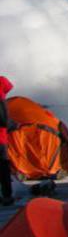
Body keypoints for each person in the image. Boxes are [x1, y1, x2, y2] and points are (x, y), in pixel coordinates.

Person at [0, 76, 15, 206]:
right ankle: (7, 196)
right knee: (3, 167)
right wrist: (13, 125)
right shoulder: (1, 98)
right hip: (1, 139)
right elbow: (3, 120)